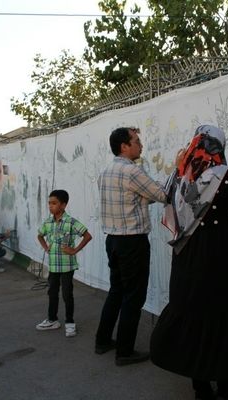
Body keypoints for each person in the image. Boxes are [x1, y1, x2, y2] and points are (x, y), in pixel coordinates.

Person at [150, 125, 228, 400]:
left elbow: (169, 209)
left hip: (187, 254)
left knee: (195, 314)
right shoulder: (223, 176)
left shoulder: (180, 177)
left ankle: (201, 387)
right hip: (222, 254)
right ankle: (227, 388)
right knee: (226, 316)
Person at [95, 127, 168, 366]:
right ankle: (125, 352)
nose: (141, 145)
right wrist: (178, 169)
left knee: (117, 291)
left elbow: (136, 197)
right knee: (133, 297)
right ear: (124, 146)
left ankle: (103, 340)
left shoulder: (106, 171)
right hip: (132, 242)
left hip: (113, 240)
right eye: (136, 141)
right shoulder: (132, 171)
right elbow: (162, 194)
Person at [35, 190, 92, 338]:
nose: (50, 206)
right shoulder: (48, 222)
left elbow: (87, 236)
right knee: (52, 292)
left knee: (67, 294)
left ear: (63, 205)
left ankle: (70, 322)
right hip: (53, 265)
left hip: (67, 265)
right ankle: (52, 319)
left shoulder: (71, 222)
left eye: (54, 203)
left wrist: (74, 250)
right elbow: (40, 235)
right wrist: (46, 247)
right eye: (49, 203)